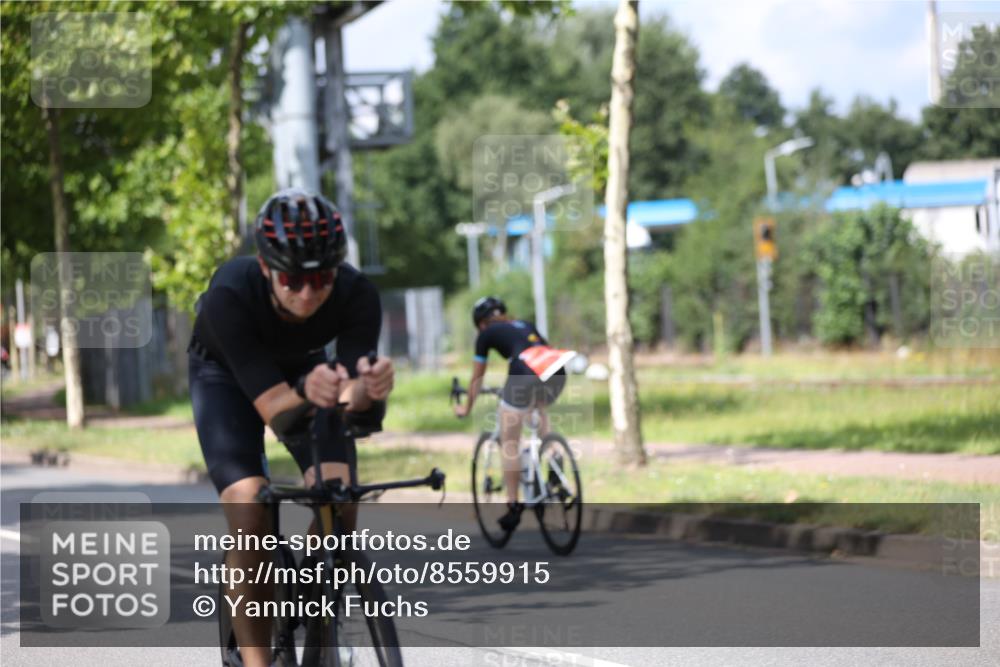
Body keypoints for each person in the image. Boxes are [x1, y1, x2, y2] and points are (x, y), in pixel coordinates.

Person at [187, 187, 393, 667]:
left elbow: (349, 398)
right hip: (226, 376)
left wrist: (368, 388)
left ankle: (318, 615)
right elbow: (277, 408)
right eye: (292, 280)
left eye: (321, 278)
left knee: (339, 499)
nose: (307, 292)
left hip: (306, 371)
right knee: (250, 510)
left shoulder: (358, 294)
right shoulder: (228, 298)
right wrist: (312, 392)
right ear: (265, 268)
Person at [453, 296, 574, 532]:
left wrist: (466, 407)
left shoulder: (486, 334)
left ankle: (513, 505)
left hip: (522, 372)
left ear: (480, 323)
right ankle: (553, 453)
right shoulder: (524, 324)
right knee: (535, 408)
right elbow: (541, 352)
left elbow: (477, 378)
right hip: (555, 370)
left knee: (509, 441)